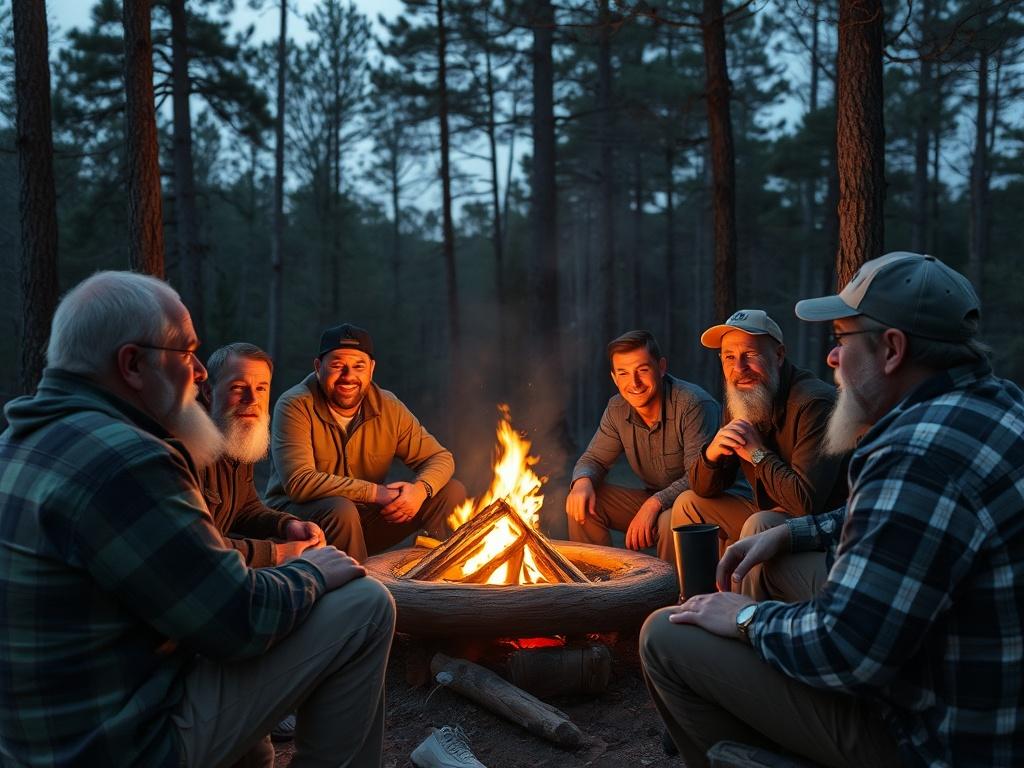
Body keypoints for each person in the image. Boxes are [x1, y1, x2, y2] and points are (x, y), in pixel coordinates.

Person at [641, 252, 1024, 768]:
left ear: (891, 349)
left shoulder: (911, 453)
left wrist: (749, 617)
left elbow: (848, 650)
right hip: (964, 683)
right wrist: (792, 534)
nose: (832, 359)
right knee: (762, 540)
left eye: (842, 340)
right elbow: (916, 520)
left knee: (663, 634)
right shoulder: (998, 405)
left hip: (934, 738)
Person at [0, 272, 395, 768]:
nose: (201, 374)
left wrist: (277, 531)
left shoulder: (21, 441)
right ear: (132, 364)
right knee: (365, 603)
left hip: (49, 732)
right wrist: (311, 571)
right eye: (186, 354)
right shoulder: (127, 461)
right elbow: (236, 620)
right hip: (119, 744)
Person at [265, 323, 466, 562]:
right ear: (319, 367)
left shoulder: (388, 406)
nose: (348, 376)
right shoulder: (295, 405)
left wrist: (419, 491)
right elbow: (300, 482)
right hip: (301, 525)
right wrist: (375, 492)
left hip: (361, 521)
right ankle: (359, 590)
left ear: (371, 369)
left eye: (358, 366)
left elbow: (440, 457)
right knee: (341, 509)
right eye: (337, 365)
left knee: (451, 491)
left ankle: (428, 572)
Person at [671, 309, 847, 568]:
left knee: (759, 524)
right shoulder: (742, 395)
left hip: (815, 527)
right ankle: (693, 599)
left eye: (750, 355)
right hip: (766, 510)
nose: (739, 368)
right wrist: (711, 456)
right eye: (729, 357)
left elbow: (805, 504)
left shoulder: (814, 403)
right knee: (688, 504)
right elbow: (704, 488)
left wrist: (757, 453)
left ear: (778, 355)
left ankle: (741, 608)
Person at [566, 330, 719, 562]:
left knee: (671, 519)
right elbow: (594, 460)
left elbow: (697, 478)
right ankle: (597, 588)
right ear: (614, 378)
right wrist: (582, 482)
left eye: (643, 370)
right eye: (624, 373)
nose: (634, 383)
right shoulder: (617, 408)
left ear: (661, 367)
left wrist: (654, 504)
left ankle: (673, 594)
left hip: (703, 504)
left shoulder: (692, 404)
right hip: (657, 501)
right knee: (583, 501)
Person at [201, 342, 326, 568]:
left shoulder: (234, 435)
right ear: (209, 392)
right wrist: (275, 553)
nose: (252, 399)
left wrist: (287, 525)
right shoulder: (187, 446)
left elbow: (245, 510)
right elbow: (196, 544)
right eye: (239, 388)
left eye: (261, 388)